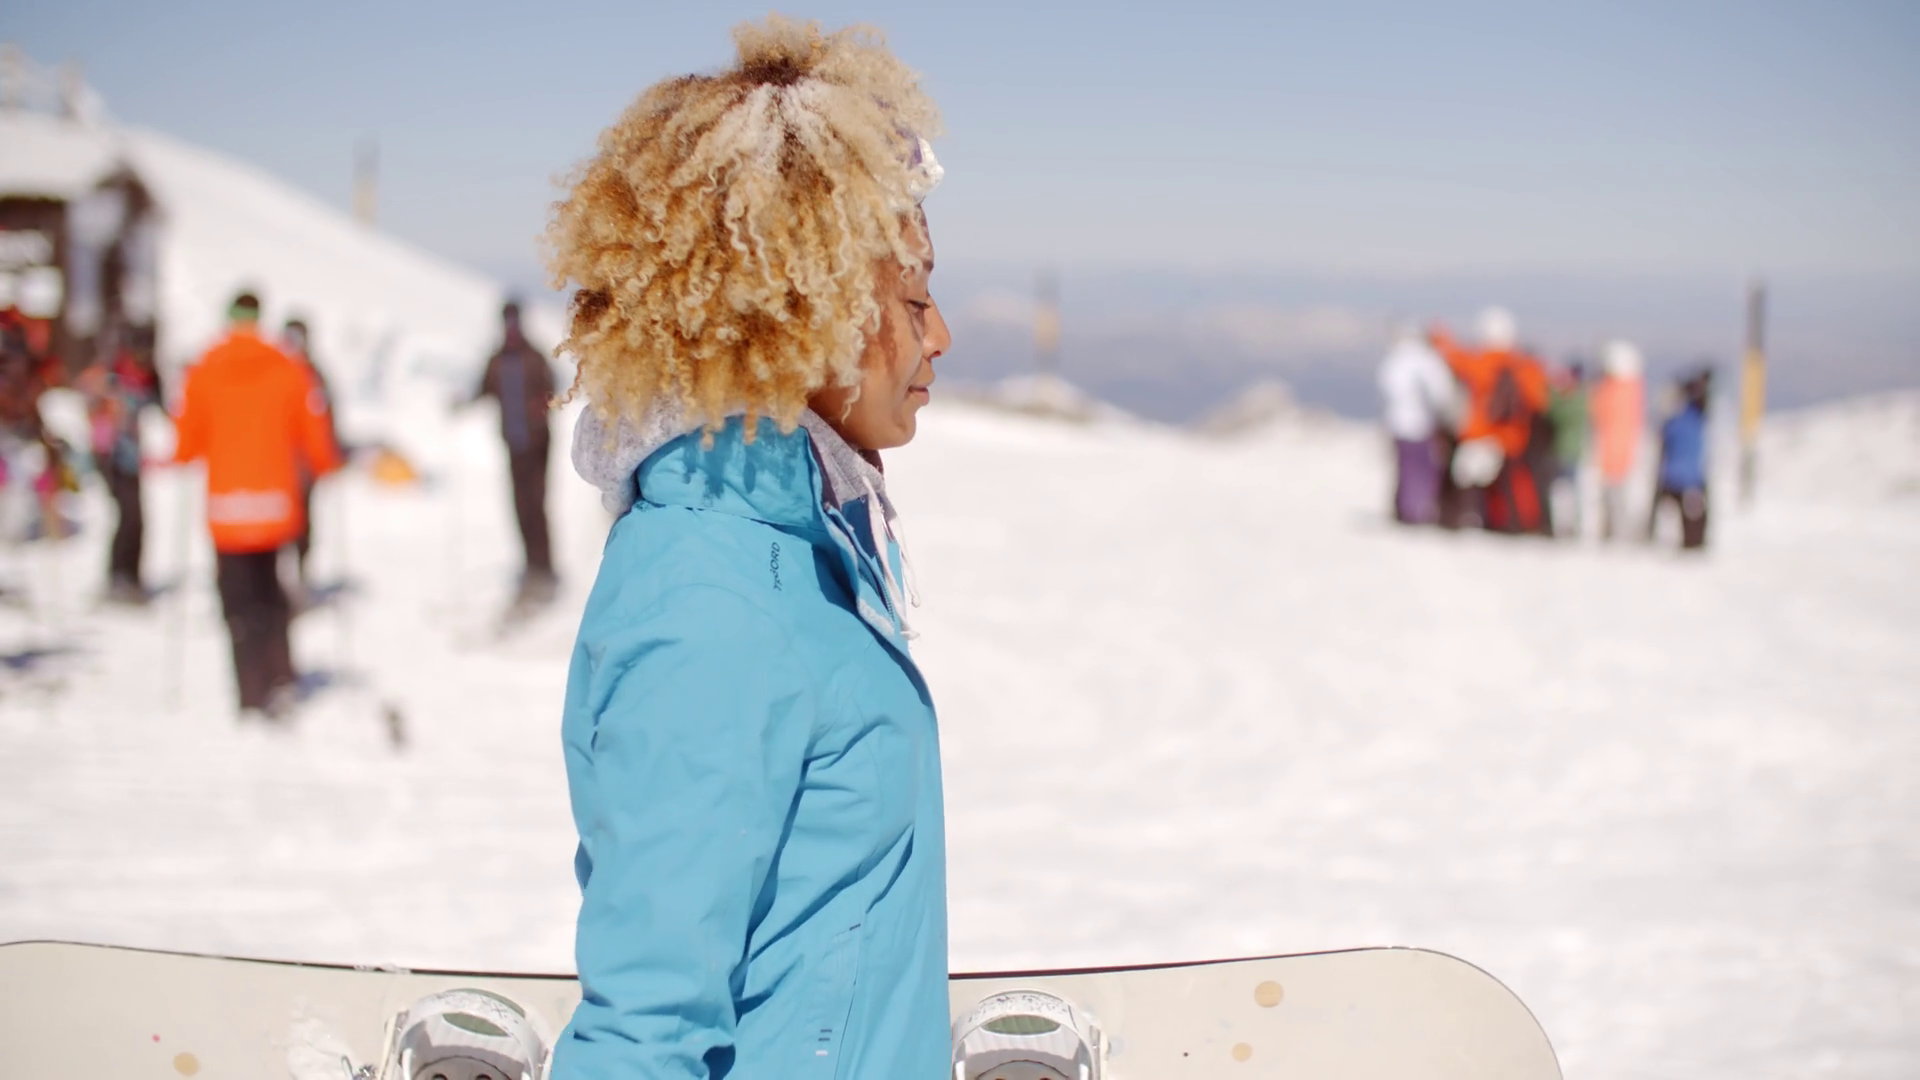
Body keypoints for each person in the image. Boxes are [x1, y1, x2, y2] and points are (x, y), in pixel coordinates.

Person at [547, 17, 951, 1078]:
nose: (939, 336)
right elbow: (644, 1029)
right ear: (804, 314)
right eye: (913, 300)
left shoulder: (795, 552)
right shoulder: (713, 601)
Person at [173, 291, 341, 718]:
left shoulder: (204, 369)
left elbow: (186, 444)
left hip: (226, 508)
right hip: (275, 504)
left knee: (237, 599)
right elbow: (316, 436)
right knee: (271, 589)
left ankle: (249, 689)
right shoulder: (288, 367)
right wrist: (326, 465)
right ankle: (280, 675)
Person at [470, 300, 557, 609]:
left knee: (536, 503)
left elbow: (552, 390)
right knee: (519, 505)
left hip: (537, 442)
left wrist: (540, 406)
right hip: (513, 443)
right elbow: (483, 389)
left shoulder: (534, 357)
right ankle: (530, 565)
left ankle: (544, 567)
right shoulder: (496, 360)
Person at [77, 321, 163, 603]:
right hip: (110, 455)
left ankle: (131, 576)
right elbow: (88, 395)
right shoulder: (112, 373)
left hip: (131, 456)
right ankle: (118, 577)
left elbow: (160, 406)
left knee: (137, 518)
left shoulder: (148, 376)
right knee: (128, 516)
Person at [1376, 323, 1457, 525]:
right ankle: (1417, 512)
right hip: (1421, 425)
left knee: (1404, 469)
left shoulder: (1394, 359)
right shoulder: (1426, 360)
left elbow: (1384, 388)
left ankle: (1403, 510)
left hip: (1396, 425)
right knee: (1422, 470)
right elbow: (1441, 392)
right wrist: (1445, 415)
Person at [280, 316, 336, 592]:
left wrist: (327, 455)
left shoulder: (314, 375)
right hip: (278, 461)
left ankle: (300, 574)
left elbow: (326, 418)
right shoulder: (275, 372)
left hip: (303, 463)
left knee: (302, 521)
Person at [1649, 368, 1712, 550]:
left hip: (1677, 476)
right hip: (1690, 476)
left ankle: (1686, 542)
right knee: (1692, 515)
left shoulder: (1677, 418)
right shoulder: (1695, 416)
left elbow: (1663, 436)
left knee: (1684, 514)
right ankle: (1693, 543)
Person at [1589, 340, 1645, 540]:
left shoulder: (1614, 391)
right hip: (1618, 453)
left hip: (1613, 454)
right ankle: (1616, 531)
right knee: (1615, 495)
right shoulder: (1631, 390)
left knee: (1616, 496)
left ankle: (1617, 532)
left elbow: (1599, 414)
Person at [1542, 361, 1589, 538]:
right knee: (1568, 491)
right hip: (1569, 450)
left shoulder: (1576, 398)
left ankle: (1570, 526)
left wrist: (1553, 394)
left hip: (1566, 450)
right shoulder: (1582, 396)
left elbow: (1557, 415)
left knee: (1563, 491)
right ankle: (1568, 525)